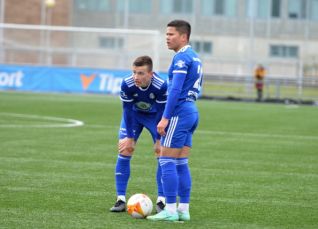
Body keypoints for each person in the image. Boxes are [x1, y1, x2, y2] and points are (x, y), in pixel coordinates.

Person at [147, 20, 203, 222]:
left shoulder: (181, 58)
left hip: (179, 112)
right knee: (181, 162)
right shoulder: (195, 57)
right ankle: (183, 210)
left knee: (166, 160)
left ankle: (170, 209)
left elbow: (176, 90)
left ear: (184, 37)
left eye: (171, 34)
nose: (167, 38)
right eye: (166, 34)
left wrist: (165, 118)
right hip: (191, 111)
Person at [109, 55, 167, 213]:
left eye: (141, 73)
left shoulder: (161, 85)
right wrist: (130, 137)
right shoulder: (127, 83)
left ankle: (161, 201)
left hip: (154, 117)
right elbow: (126, 111)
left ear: (151, 74)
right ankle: (120, 199)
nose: (136, 77)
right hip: (134, 116)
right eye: (134, 72)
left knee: (161, 153)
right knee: (125, 150)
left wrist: (158, 138)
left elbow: (161, 113)